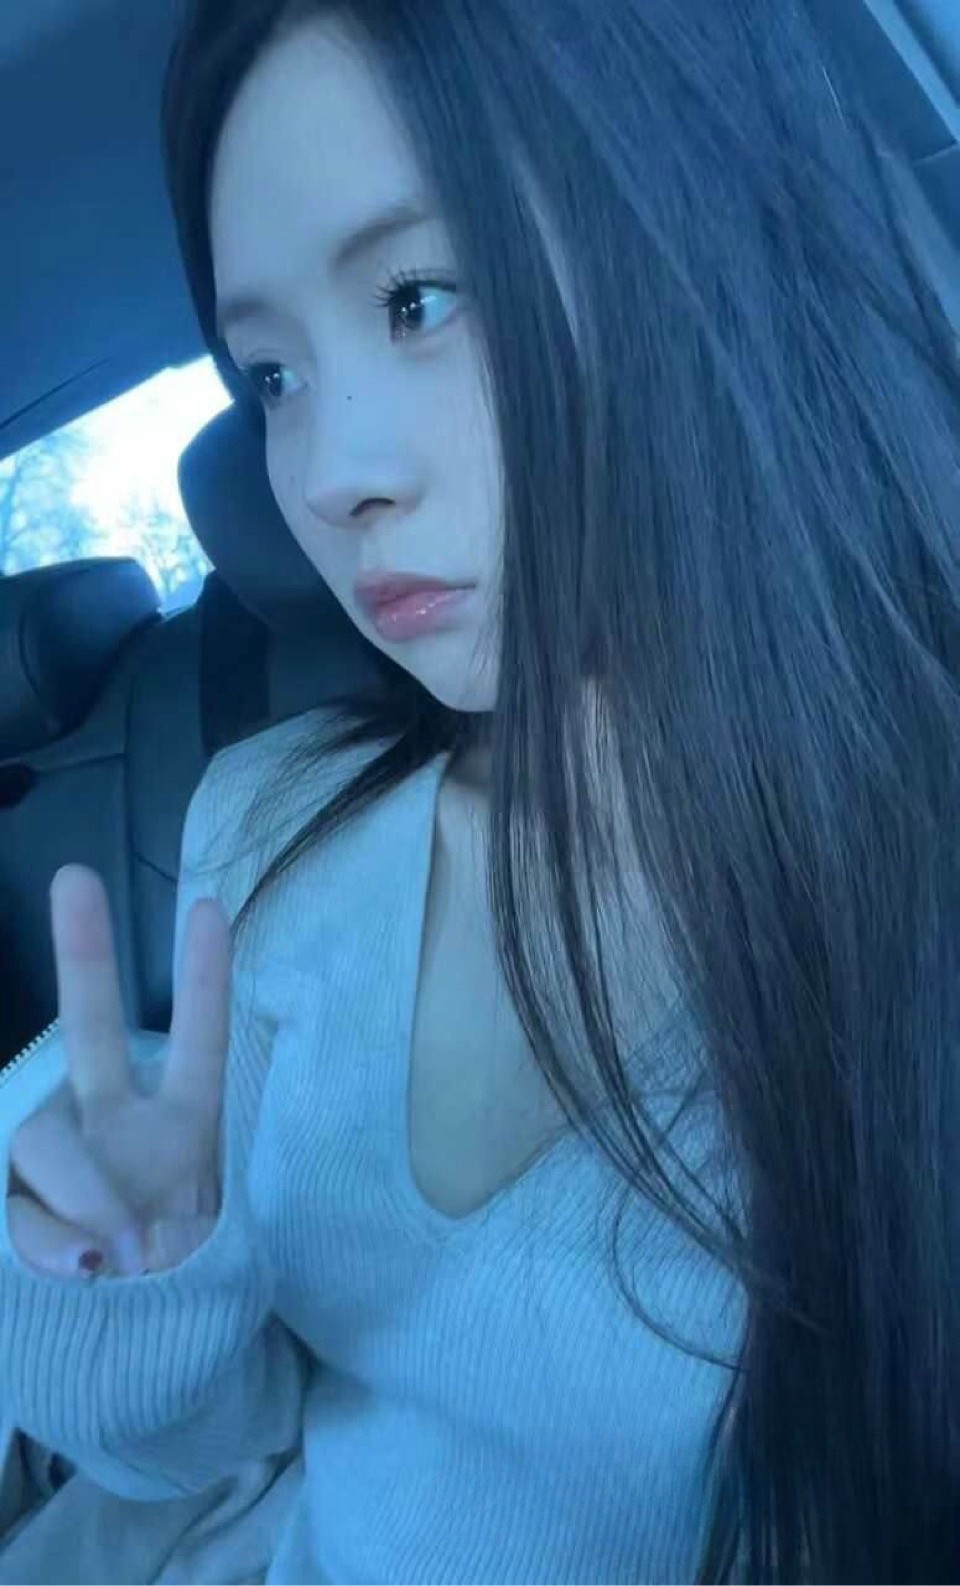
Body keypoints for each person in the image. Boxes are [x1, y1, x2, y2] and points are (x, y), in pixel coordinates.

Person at [1, 0, 959, 1580]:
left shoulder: (908, 874)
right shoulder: (271, 821)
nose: (329, 475)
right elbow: (225, 1435)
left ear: (689, 242)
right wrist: (141, 1280)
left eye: (420, 297)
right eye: (271, 375)